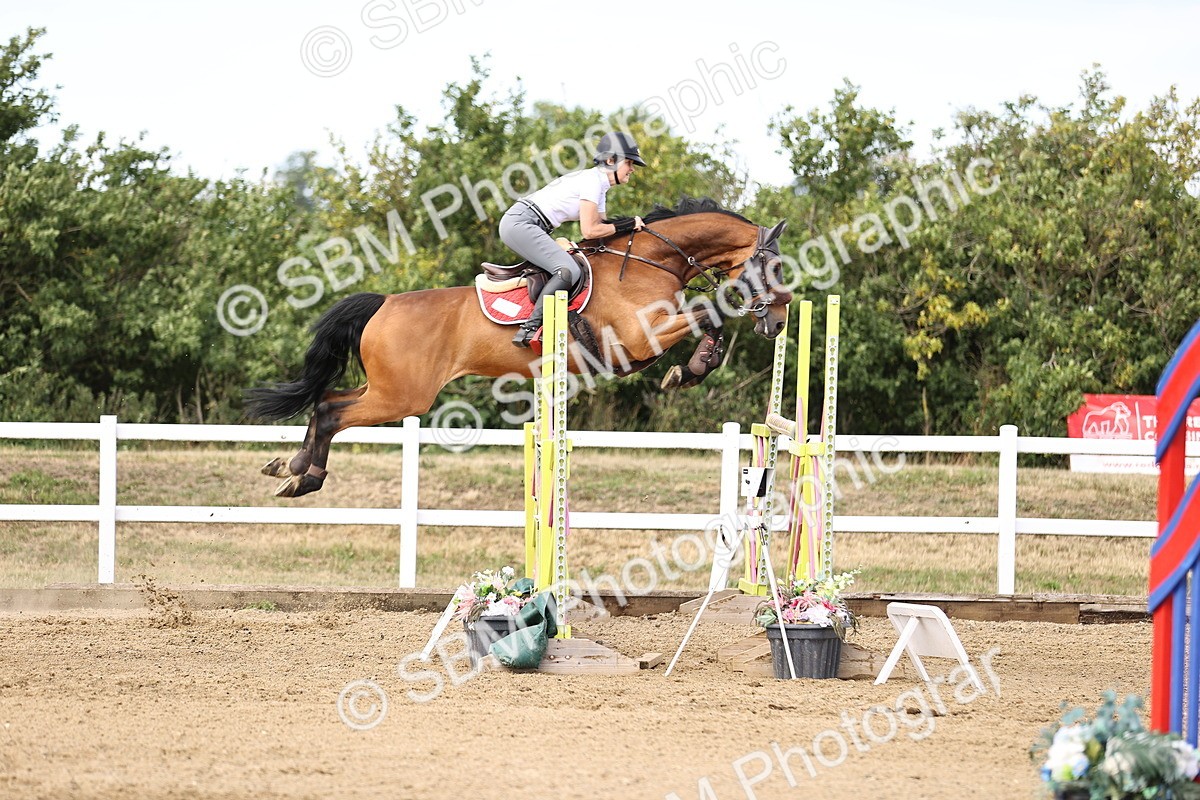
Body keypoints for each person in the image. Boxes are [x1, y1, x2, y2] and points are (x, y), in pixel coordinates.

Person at [499, 131, 647, 347]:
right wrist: (628, 224)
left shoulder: (600, 187)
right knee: (567, 271)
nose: (632, 169)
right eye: (630, 162)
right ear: (611, 160)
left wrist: (632, 228)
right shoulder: (592, 181)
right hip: (522, 222)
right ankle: (529, 328)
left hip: (533, 224)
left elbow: (604, 228)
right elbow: (590, 231)